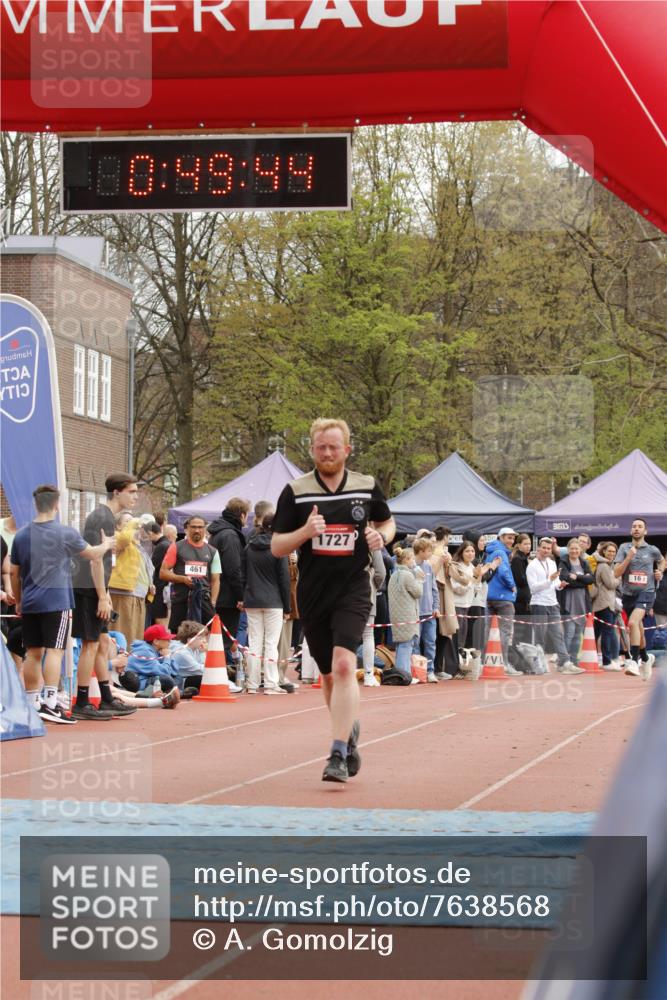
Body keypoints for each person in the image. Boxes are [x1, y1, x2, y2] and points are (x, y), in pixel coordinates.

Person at [271, 418, 395, 783]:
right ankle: (348, 732)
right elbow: (277, 545)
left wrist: (381, 537)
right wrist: (306, 532)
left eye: (334, 447)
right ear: (312, 449)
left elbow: (387, 523)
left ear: (347, 449)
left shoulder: (366, 486)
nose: (327, 453)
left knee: (344, 665)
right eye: (321, 447)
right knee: (327, 674)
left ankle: (337, 753)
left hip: (353, 587)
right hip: (313, 591)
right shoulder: (296, 491)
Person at [9, 484, 116, 724]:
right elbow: (92, 554)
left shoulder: (22, 534)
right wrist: (107, 544)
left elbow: (14, 573)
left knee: (33, 652)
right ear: (57, 505)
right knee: (55, 651)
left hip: (31, 600)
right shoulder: (65, 533)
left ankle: (32, 701)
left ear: (36, 504)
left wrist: (19, 600)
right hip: (56, 600)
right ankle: (49, 702)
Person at [70, 473, 140, 720]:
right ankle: (81, 702)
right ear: (116, 492)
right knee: (90, 644)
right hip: (88, 590)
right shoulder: (101, 517)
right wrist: (101, 595)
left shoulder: (107, 517)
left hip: (96, 589)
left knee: (101, 643)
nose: (135, 496)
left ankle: (106, 698)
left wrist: (106, 593)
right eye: (131, 491)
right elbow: (95, 559)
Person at [242, 513, 291, 695]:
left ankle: (252, 684)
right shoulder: (279, 548)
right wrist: (287, 607)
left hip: (252, 598)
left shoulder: (249, 547)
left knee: (254, 642)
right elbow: (284, 580)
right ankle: (271, 683)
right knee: (271, 643)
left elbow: (243, 574)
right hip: (274, 600)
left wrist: (243, 596)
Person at [614, 518, 664, 679]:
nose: (637, 529)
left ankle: (634, 660)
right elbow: (616, 573)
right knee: (639, 630)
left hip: (647, 592)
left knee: (632, 623)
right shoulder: (624, 548)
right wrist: (628, 557)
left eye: (640, 527)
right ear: (631, 531)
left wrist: (660, 572)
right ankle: (646, 657)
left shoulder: (652, 549)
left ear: (645, 531)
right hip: (628, 594)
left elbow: (662, 561)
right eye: (634, 526)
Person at [527, 537, 583, 674]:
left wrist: (560, 585)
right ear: (539, 548)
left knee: (558, 634)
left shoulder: (552, 563)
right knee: (540, 636)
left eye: (549, 548)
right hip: (539, 604)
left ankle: (564, 663)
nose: (546, 550)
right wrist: (549, 580)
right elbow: (533, 589)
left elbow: (556, 583)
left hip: (553, 603)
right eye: (544, 548)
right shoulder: (532, 566)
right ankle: (538, 665)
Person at [160, 516, 221, 633]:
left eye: (200, 527)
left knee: (210, 634)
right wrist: (182, 579)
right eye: (193, 527)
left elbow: (215, 580)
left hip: (204, 600)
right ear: (187, 529)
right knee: (178, 636)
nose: (197, 530)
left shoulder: (213, 551)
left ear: (205, 529)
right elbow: (163, 573)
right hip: (181, 599)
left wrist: (213, 601)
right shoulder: (176, 547)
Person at [208, 498, 251, 658]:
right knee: (225, 640)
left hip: (218, 593)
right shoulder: (230, 535)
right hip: (227, 597)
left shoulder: (218, 532)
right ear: (242, 515)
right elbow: (234, 569)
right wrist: (241, 596)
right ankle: (222, 676)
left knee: (219, 639)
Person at [108, 512, 155, 644]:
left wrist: (150, 584)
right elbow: (123, 540)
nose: (134, 525)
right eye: (126, 522)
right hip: (123, 594)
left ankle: (130, 662)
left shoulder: (136, 545)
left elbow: (145, 568)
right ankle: (119, 661)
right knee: (122, 634)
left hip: (138, 596)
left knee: (135, 636)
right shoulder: (116, 537)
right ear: (117, 526)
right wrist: (133, 523)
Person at [483, 527, 518, 671]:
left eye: (513, 538)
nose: (512, 541)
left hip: (489, 596)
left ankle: (488, 661)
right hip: (503, 597)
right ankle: (504, 663)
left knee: (488, 631)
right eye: (509, 538)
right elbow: (503, 572)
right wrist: (512, 586)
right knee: (505, 632)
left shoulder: (490, 551)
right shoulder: (500, 552)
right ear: (501, 538)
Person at [387, 546, 423, 683]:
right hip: (407, 615)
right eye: (412, 558)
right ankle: (404, 675)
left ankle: (402, 673)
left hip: (397, 615)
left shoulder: (394, 574)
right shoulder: (407, 575)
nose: (414, 561)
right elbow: (418, 592)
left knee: (402, 644)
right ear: (407, 559)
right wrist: (419, 579)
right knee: (406, 644)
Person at [558, 538, 595, 665]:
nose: (574, 551)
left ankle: (574, 660)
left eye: (576, 549)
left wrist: (577, 577)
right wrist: (582, 580)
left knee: (578, 634)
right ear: (568, 550)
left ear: (580, 550)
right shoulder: (563, 562)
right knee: (569, 633)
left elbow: (591, 579)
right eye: (572, 548)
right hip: (568, 602)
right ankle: (563, 661)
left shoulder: (584, 563)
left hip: (582, 603)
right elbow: (565, 578)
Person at [592, 541, 622, 671]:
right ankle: (607, 661)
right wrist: (619, 577)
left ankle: (591, 658)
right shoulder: (604, 566)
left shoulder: (605, 564)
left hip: (601, 603)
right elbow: (610, 584)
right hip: (605, 604)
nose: (612, 554)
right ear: (603, 551)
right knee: (607, 633)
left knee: (597, 632)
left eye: (614, 552)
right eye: (609, 551)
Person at [413, 537, 439, 682]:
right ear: (421, 551)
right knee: (415, 644)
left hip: (429, 613)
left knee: (430, 642)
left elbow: (434, 589)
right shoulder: (409, 566)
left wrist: (436, 607)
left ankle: (430, 671)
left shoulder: (428, 566)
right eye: (429, 551)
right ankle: (418, 672)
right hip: (415, 613)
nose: (431, 553)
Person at [361, 549, 387, 687]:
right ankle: (368, 674)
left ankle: (339, 674)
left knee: (343, 635)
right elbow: (381, 572)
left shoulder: (342, 532)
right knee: (368, 635)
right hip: (366, 592)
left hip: (343, 592)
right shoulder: (371, 538)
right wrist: (374, 586)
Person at [511, 533, 533, 648]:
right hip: (520, 601)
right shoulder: (517, 559)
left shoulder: (524, 558)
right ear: (518, 545)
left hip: (525, 599)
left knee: (526, 631)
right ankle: (519, 657)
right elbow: (520, 579)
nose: (528, 546)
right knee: (521, 632)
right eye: (525, 544)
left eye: (529, 544)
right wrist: (533, 577)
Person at [146, 522, 170, 625]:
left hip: (159, 586)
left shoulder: (162, 546)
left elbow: (152, 566)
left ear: (150, 533)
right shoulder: (166, 544)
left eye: (146, 535)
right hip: (161, 585)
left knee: (158, 617)